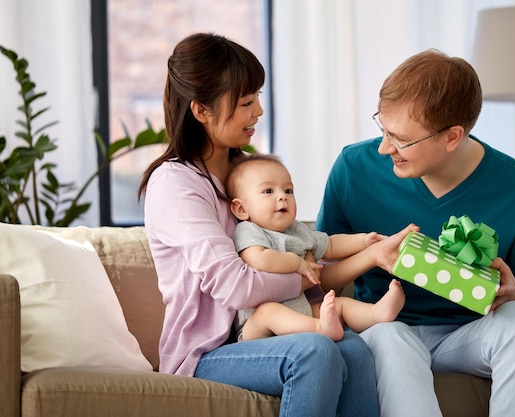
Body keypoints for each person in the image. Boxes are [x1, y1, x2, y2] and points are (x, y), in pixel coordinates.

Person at [138, 32, 415, 417]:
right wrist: (304, 275)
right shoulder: (176, 183)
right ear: (201, 111)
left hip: (273, 329)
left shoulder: (252, 177)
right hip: (208, 352)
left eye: (257, 99)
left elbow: (308, 269)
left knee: (354, 348)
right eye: (245, 103)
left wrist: (370, 254)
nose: (258, 113)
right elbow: (235, 285)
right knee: (314, 349)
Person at [317, 49, 515, 417]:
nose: (386, 148)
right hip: (386, 328)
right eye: (382, 129)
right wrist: (372, 254)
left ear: (452, 136)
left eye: (400, 139)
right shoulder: (354, 169)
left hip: (472, 335)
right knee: (389, 339)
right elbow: (317, 279)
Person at [224, 153, 405, 342]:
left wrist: (363, 241)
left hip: (302, 312)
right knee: (268, 311)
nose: (282, 197)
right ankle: (320, 328)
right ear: (241, 209)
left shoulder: (296, 229)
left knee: (337, 305)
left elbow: (331, 244)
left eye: (288, 190)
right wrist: (297, 263)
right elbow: (260, 259)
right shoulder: (249, 230)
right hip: (258, 328)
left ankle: (377, 313)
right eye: (268, 191)